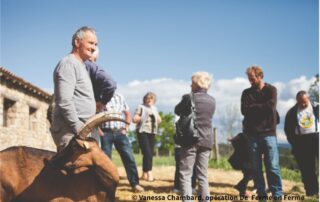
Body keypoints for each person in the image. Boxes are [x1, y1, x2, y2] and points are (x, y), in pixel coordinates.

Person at [51, 26, 97, 151]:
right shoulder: (68, 64)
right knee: (72, 170)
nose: (93, 47)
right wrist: (78, 128)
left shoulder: (80, 65)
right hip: (70, 131)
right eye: (91, 43)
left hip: (80, 130)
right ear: (77, 42)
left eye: (95, 44)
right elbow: (64, 101)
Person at [241, 65, 282, 199]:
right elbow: (244, 111)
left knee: (273, 167)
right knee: (256, 169)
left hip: (269, 134)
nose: (250, 81)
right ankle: (262, 196)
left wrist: (253, 108)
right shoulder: (246, 93)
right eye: (249, 79)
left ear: (260, 76)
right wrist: (260, 108)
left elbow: (270, 108)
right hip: (252, 135)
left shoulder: (271, 90)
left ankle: (277, 196)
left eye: (252, 78)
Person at [175, 71, 215, 202]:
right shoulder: (212, 100)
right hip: (207, 140)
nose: (190, 85)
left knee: (186, 174)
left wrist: (185, 98)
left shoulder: (189, 98)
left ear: (197, 84)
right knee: (203, 176)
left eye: (191, 83)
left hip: (190, 139)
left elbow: (177, 110)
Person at [99, 92, 144, 192]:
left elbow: (127, 113)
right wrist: (99, 131)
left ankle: (135, 184)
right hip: (105, 133)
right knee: (106, 161)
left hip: (120, 132)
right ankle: (107, 187)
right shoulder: (99, 97)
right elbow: (95, 114)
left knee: (129, 158)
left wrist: (126, 128)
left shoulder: (120, 96)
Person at [284, 90, 319, 197]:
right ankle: (312, 192)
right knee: (307, 168)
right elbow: (287, 129)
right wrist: (294, 143)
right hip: (302, 141)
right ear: (297, 101)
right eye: (300, 102)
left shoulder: (316, 106)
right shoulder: (292, 112)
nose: (303, 104)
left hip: (317, 137)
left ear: (308, 98)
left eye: (304, 102)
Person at [133, 92, 162, 182]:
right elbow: (135, 118)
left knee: (148, 153)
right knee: (147, 152)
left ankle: (144, 173)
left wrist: (155, 115)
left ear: (154, 100)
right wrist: (140, 117)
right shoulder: (140, 107)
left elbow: (159, 120)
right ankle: (149, 173)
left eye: (151, 99)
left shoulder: (154, 108)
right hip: (142, 131)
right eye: (147, 98)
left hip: (152, 132)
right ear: (144, 99)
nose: (149, 100)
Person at [85, 46, 117, 112]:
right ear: (96, 57)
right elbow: (111, 84)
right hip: (90, 112)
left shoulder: (76, 64)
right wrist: (102, 102)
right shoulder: (92, 66)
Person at [228, 132, 253, 197]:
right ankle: (241, 188)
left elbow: (235, 140)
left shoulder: (242, 135)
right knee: (250, 175)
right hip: (246, 159)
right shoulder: (244, 135)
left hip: (245, 158)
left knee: (248, 175)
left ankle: (242, 190)